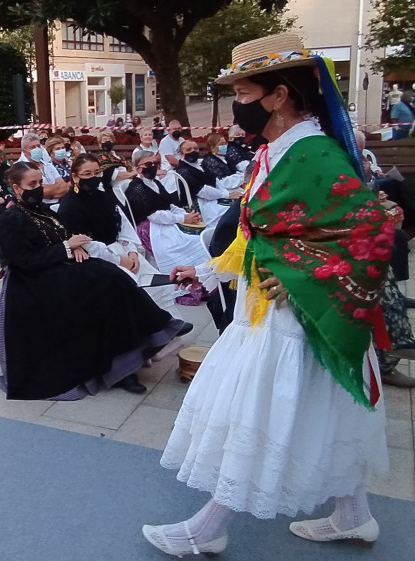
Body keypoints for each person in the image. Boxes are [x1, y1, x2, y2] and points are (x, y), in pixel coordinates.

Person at [142, 33, 393, 557]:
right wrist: (210, 272)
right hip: (274, 310)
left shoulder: (314, 153)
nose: (237, 105)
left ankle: (208, 528)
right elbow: (256, 235)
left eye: (244, 93)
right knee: (316, 411)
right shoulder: (278, 151)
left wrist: (309, 274)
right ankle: (354, 515)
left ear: (278, 96)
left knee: (254, 414)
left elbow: (372, 229)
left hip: (296, 316)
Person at [0, 161, 190, 400]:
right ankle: (127, 358)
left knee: (112, 277)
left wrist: (75, 246)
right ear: (16, 187)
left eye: (39, 182)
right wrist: (67, 247)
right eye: (31, 184)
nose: (37, 188)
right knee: (104, 285)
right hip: (33, 282)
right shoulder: (9, 219)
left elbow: (64, 235)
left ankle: (146, 337)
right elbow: (23, 260)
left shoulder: (42, 210)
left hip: (57, 269)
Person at [57, 154, 183, 321]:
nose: (93, 178)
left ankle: (167, 324)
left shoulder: (104, 197)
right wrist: (120, 260)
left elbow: (123, 225)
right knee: (132, 286)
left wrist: (132, 252)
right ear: (75, 176)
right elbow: (85, 244)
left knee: (153, 281)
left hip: (122, 249)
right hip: (99, 258)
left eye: (96, 173)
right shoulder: (70, 206)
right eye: (87, 174)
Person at [124, 149, 209, 276]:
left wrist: (186, 215)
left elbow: (169, 205)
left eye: (155, 163)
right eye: (148, 164)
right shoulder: (136, 188)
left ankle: (201, 275)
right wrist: (182, 219)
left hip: (167, 220)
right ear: (138, 168)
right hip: (150, 228)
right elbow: (154, 215)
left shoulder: (156, 183)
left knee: (199, 238)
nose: (152, 167)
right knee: (187, 243)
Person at [174, 139, 241, 228]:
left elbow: (215, 180)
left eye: (195, 149)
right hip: (200, 203)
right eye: (188, 150)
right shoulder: (183, 171)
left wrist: (227, 193)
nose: (193, 151)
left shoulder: (201, 166)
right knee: (233, 210)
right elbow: (202, 191)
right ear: (181, 154)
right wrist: (226, 195)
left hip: (214, 197)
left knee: (240, 201)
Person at [16, 133, 68, 211]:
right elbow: (41, 192)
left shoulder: (48, 164)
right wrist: (56, 187)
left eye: (38, 146)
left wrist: (50, 192)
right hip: (39, 206)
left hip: (59, 203)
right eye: (33, 147)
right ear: (24, 151)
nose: (37, 149)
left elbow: (65, 187)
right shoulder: (21, 167)